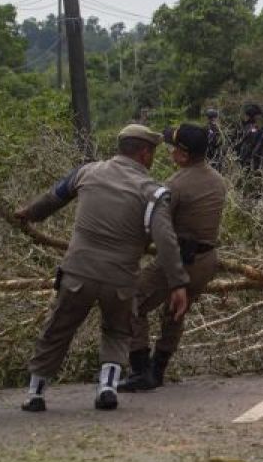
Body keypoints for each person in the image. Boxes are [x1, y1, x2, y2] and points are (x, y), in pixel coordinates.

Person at [15, 125, 189, 412]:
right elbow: (166, 241)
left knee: (58, 329)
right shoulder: (154, 192)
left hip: (77, 272)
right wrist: (178, 282)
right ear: (145, 153)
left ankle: (35, 393)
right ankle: (107, 386)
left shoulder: (86, 172)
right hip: (119, 277)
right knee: (118, 330)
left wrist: (27, 214)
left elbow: (52, 198)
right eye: (153, 153)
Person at [119, 124, 227, 393]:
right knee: (175, 313)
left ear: (184, 154)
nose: (169, 152)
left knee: (134, 300)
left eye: (174, 148)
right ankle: (159, 369)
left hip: (179, 259)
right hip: (206, 260)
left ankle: (141, 368)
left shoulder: (175, 185)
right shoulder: (217, 180)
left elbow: (158, 228)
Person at [234, 103, 263, 169]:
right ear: (255, 116)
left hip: (242, 153)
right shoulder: (254, 127)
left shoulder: (244, 126)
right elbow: (254, 142)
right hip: (248, 155)